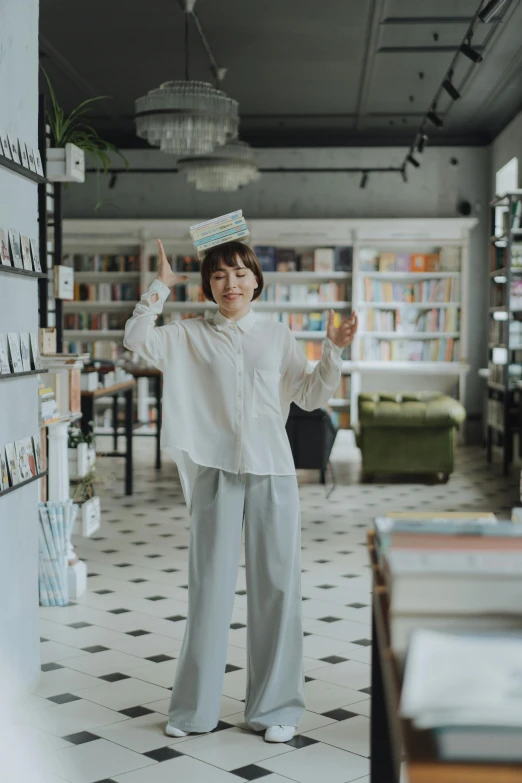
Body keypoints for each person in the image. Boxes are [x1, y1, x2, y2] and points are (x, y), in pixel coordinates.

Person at [123, 238, 358, 743]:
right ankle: (194, 711)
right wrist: (159, 289)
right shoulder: (186, 334)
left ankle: (275, 711)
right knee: (209, 588)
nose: (230, 283)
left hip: (273, 470)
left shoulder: (276, 335)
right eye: (220, 275)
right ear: (208, 285)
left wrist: (334, 350)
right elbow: (137, 340)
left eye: (239, 273)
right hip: (214, 470)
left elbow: (311, 395)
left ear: (256, 280)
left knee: (276, 587)